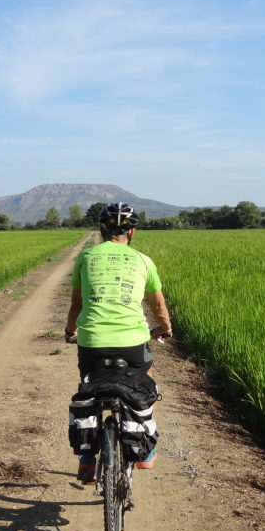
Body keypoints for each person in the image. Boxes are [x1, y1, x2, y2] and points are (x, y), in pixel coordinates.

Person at [64, 202, 172, 482]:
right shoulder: (142, 260)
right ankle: (146, 452)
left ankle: (88, 458)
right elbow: (157, 303)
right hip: (132, 342)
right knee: (145, 385)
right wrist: (165, 328)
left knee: (90, 387)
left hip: (92, 341)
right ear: (132, 232)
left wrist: (69, 329)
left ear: (101, 229)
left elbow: (78, 302)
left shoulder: (86, 258)